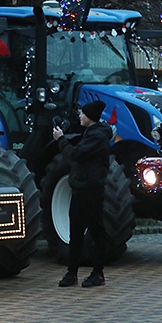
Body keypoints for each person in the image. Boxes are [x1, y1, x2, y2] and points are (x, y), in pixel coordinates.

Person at [53, 100, 111, 288]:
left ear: (91, 118)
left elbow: (76, 154)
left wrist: (61, 139)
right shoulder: (90, 134)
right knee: (75, 233)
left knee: (96, 232)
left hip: (91, 190)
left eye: (83, 114)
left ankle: (98, 273)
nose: (80, 116)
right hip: (79, 189)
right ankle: (72, 273)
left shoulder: (97, 136)